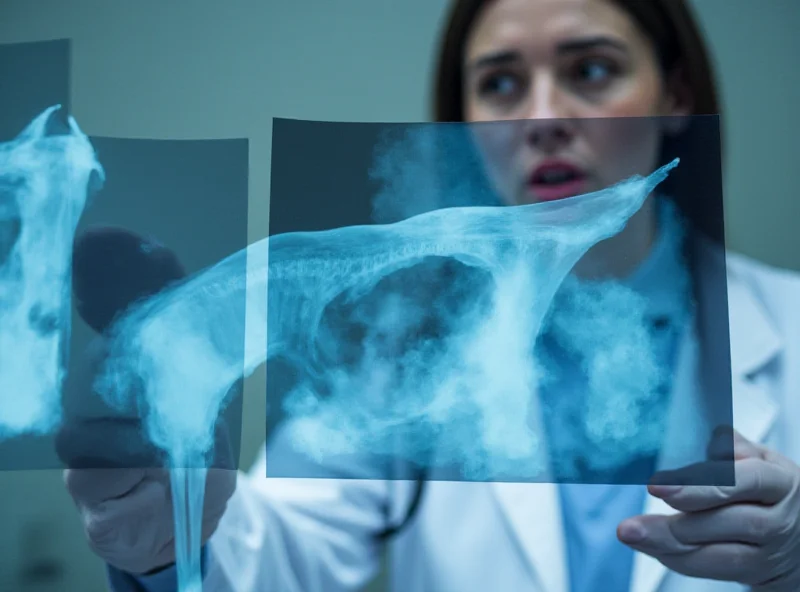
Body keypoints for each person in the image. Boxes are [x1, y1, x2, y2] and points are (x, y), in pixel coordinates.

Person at [60, 0, 800, 590]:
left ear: (675, 95)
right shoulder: (401, 343)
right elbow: (280, 560)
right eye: (501, 83)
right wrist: (173, 536)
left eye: (593, 69)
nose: (543, 117)